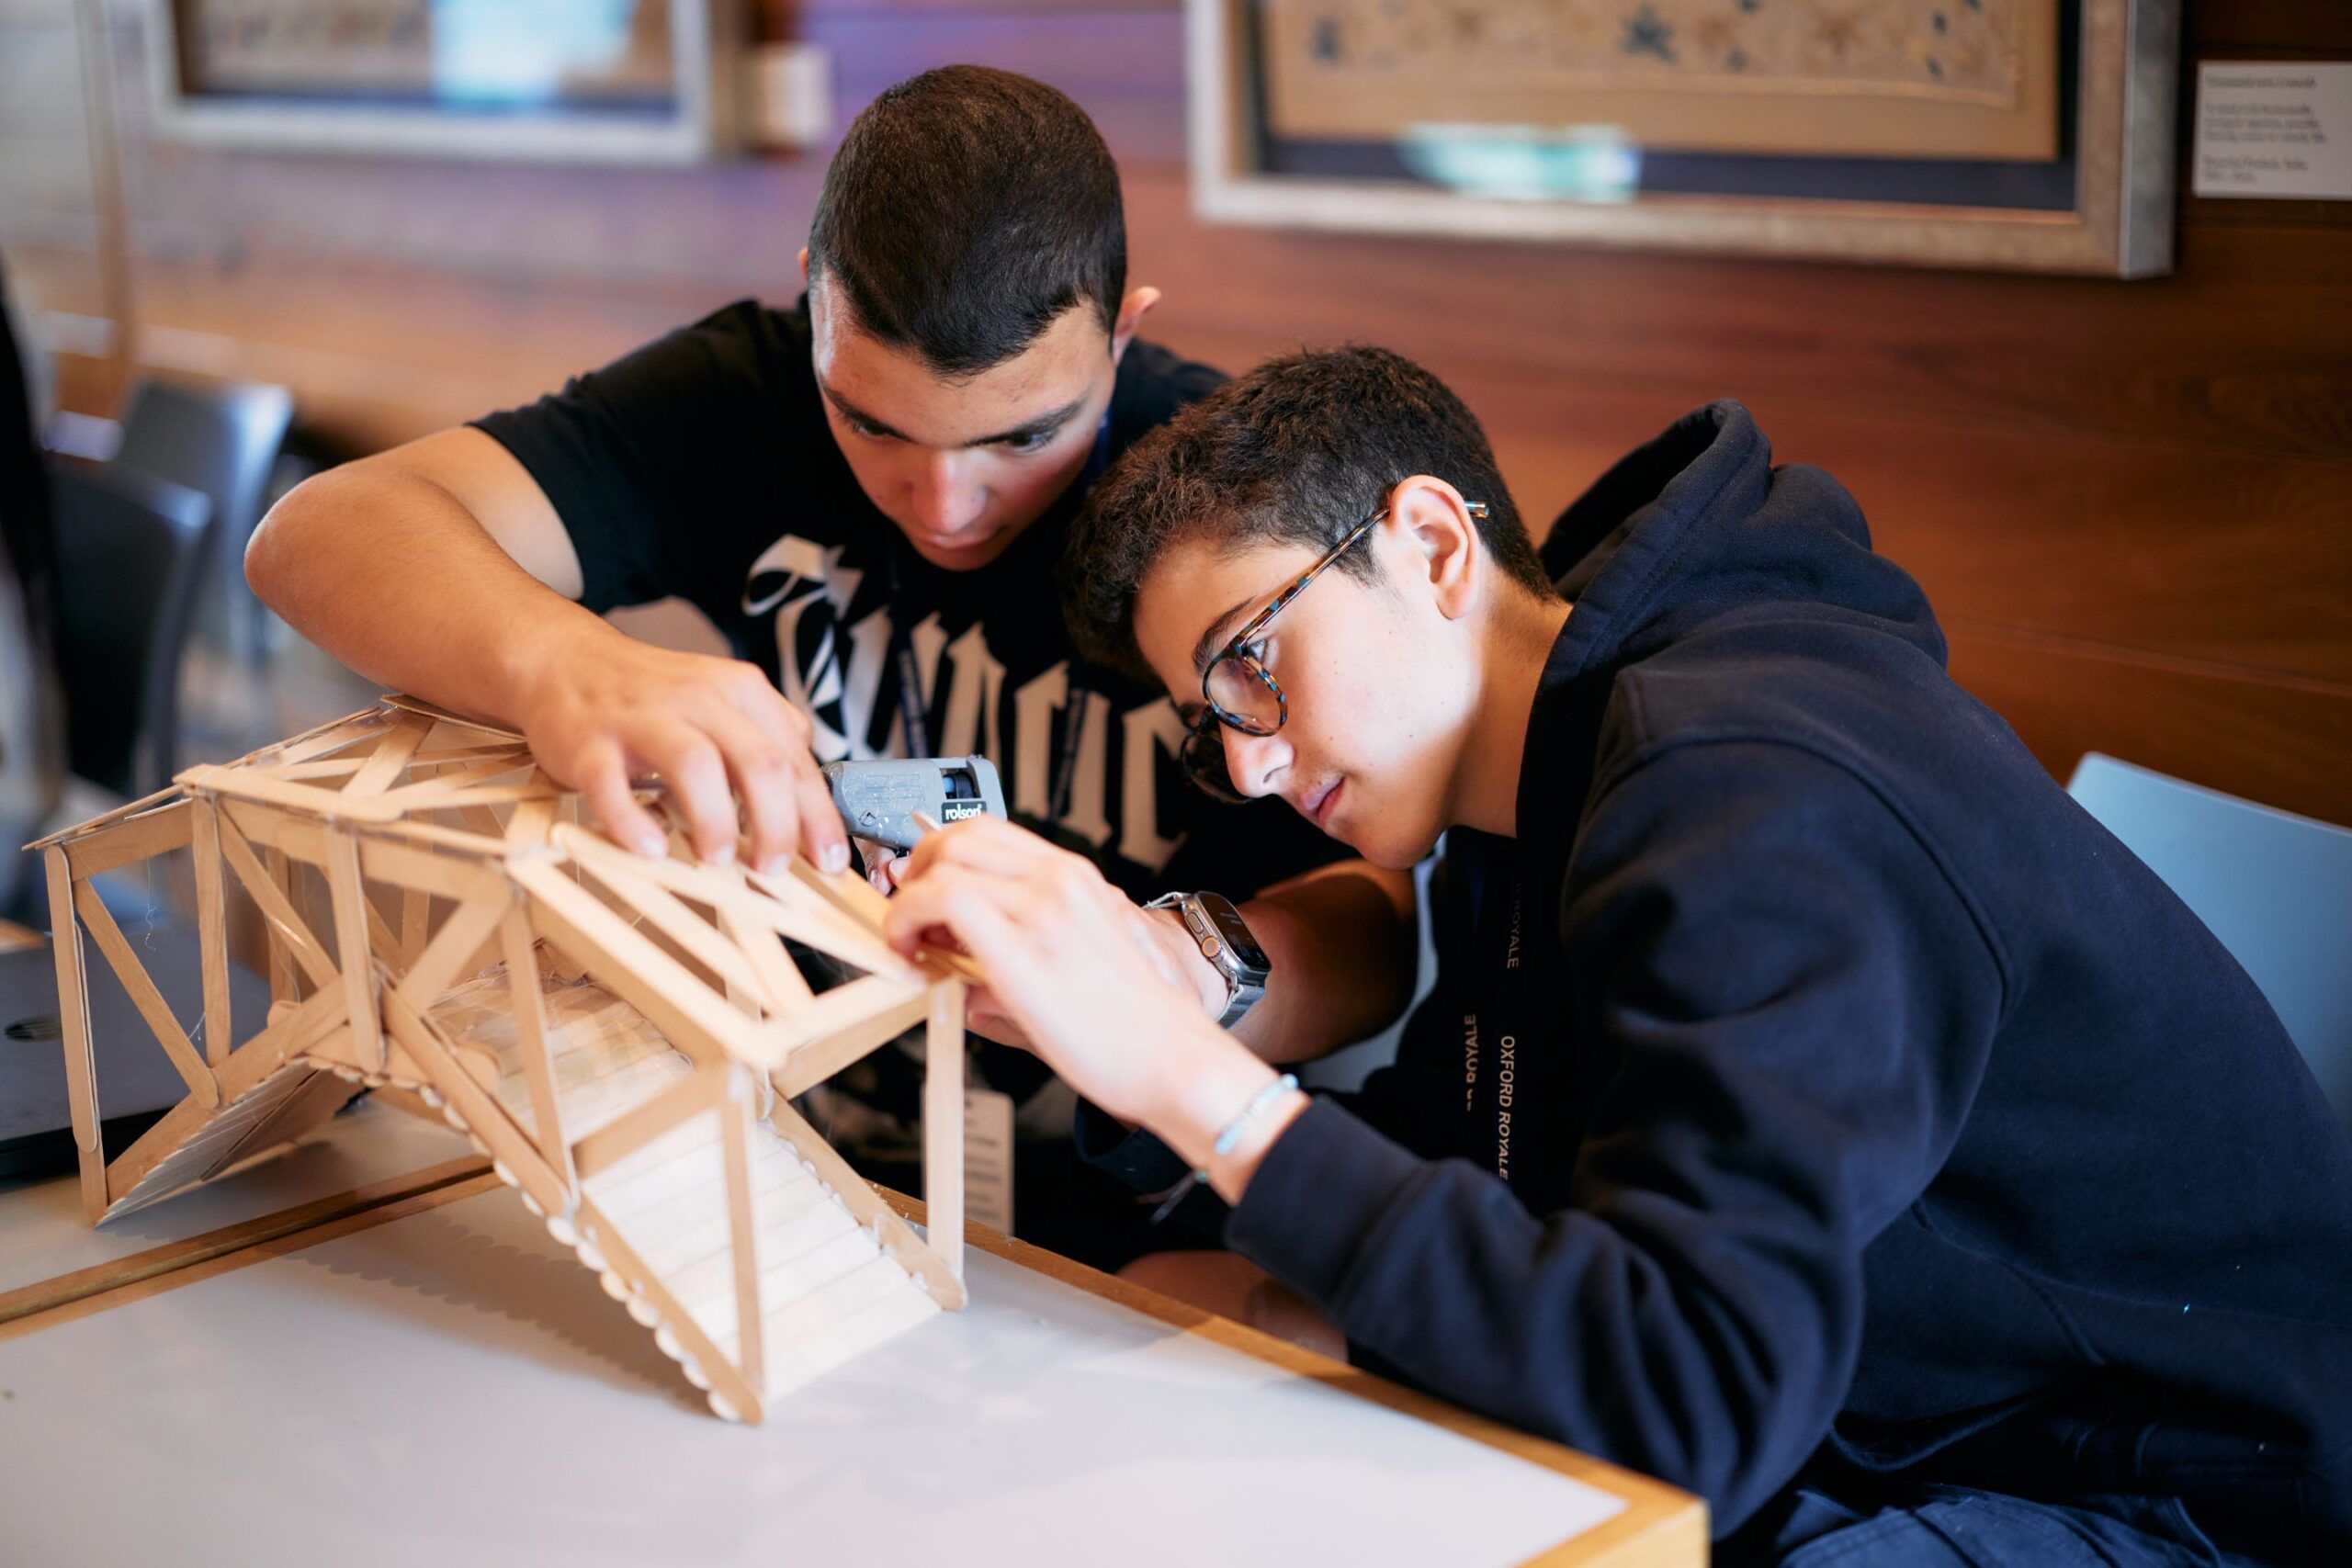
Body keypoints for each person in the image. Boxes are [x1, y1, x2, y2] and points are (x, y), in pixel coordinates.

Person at [878, 345, 2352, 1562]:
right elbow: (1504, 1169)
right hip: (1876, 1422)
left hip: (2171, 1494)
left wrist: (1197, 1080)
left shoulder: (1749, 790)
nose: (1252, 771)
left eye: (1253, 665)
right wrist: (1162, 1099)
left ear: (1434, 544)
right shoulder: (1542, 785)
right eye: (1214, 723)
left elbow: (1686, 1391)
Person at [244, 68, 1413, 1269]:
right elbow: (315, 535)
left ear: (1122, 330)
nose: (947, 505)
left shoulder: (1214, 488)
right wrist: (569, 664)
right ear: (814, 314)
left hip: (1154, 1238)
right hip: (808, 1184)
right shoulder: (745, 398)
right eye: (874, 425)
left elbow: (1377, 925)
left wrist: (1183, 971)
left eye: (1024, 436)